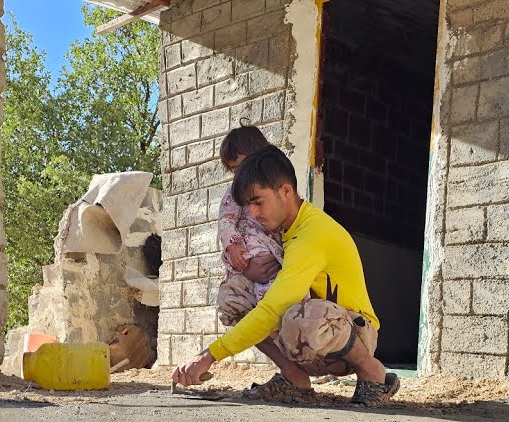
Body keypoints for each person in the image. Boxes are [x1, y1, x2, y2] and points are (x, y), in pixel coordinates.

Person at [172, 145, 401, 407]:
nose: (254, 214)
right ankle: (295, 378)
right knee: (234, 295)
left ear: (285, 191)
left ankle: (372, 372)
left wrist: (209, 356)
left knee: (297, 316)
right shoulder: (280, 231)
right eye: (248, 206)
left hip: (355, 332)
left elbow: (274, 309)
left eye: (258, 202)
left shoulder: (312, 233)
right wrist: (248, 270)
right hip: (313, 338)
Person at [215, 126, 285, 327]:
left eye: (242, 166)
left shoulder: (277, 187)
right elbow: (226, 220)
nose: (240, 174)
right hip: (248, 253)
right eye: (235, 170)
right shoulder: (235, 192)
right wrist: (233, 246)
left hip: (274, 257)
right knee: (241, 306)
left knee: (277, 303)